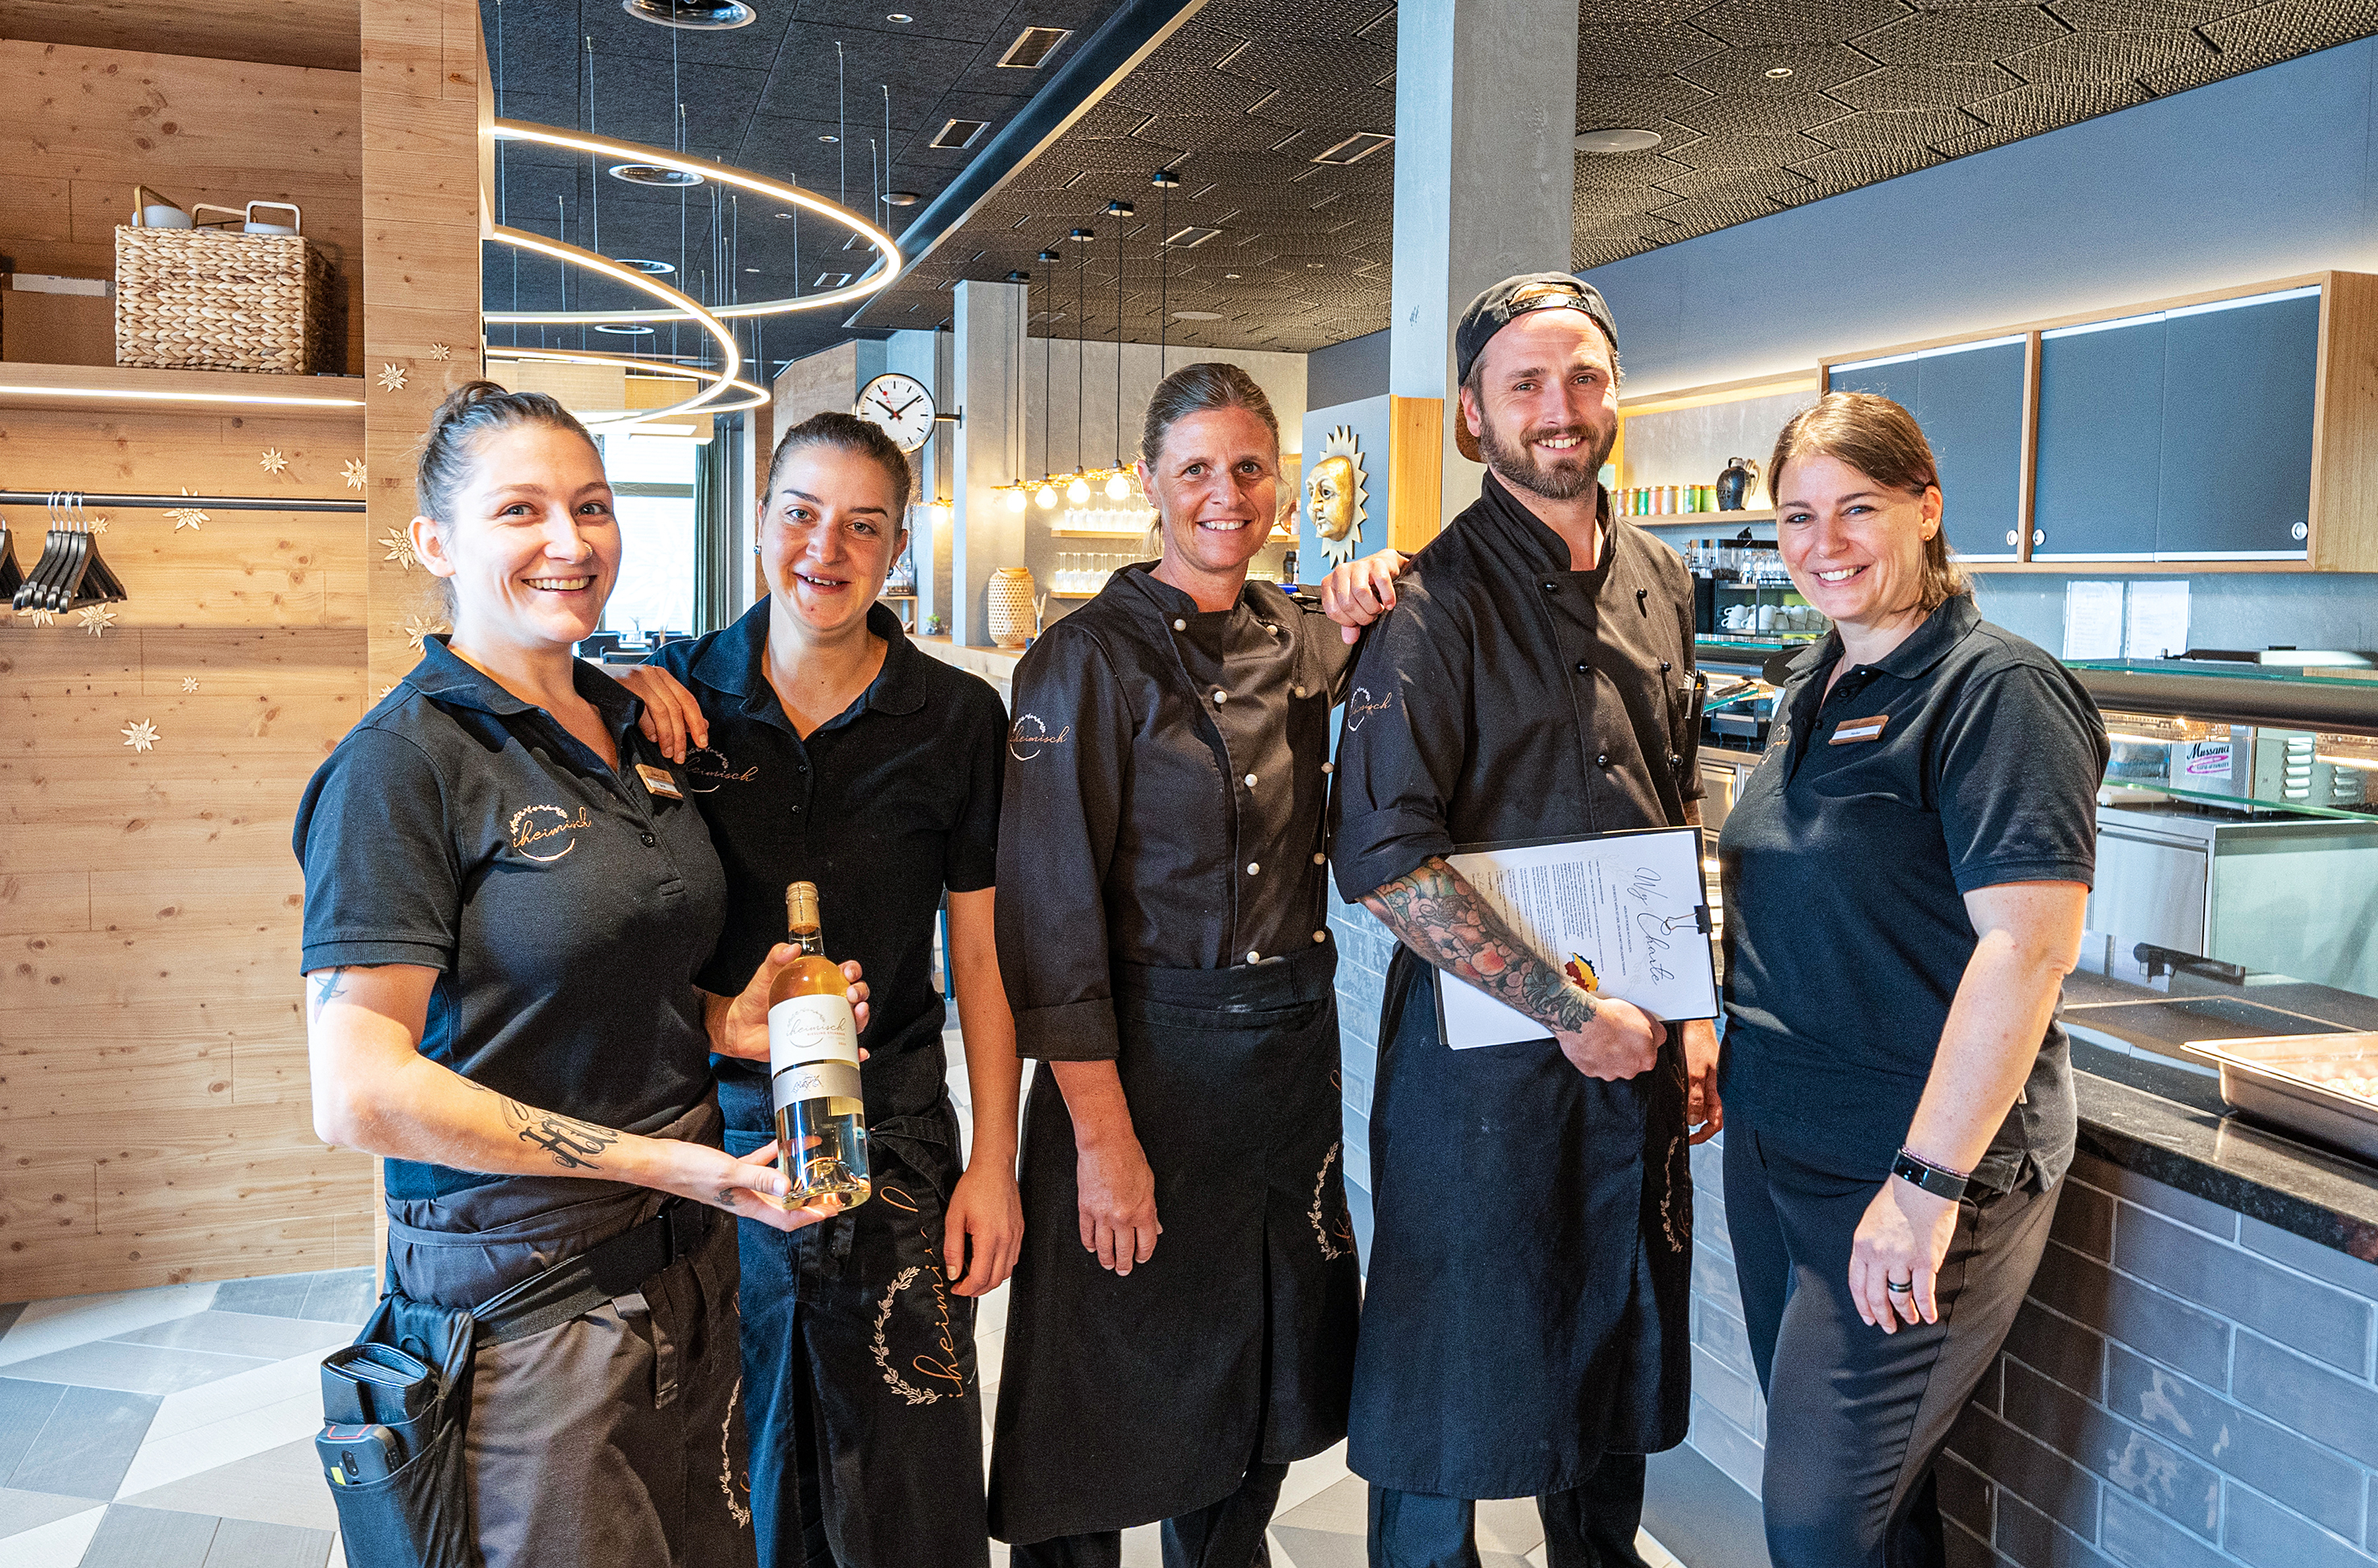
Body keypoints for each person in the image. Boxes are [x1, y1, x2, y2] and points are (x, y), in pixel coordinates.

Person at [294, 382, 869, 1567]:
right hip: (528, 1313)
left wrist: (730, 1020)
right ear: (436, 543)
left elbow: (602, 976)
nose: (569, 542)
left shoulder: (634, 725)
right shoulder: (401, 768)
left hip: (686, 1278)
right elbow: (360, 1090)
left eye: (591, 506)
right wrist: (673, 1164)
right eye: (520, 511)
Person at [1329, 273, 1718, 1568]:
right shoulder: (1421, 606)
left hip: (1638, 1053)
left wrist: (1690, 1004)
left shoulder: (1663, 577)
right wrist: (1567, 1010)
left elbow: (1679, 797)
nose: (1560, 409)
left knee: (1611, 1351)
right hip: (1478, 1067)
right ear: (1470, 420)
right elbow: (1384, 860)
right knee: (1450, 1376)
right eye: (1525, 386)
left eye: (1583, 379)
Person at [989, 361, 1402, 1568]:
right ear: (1147, 484)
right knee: (1102, 1398)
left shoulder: (1305, 637)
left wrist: (1379, 584)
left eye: (1248, 468)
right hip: (1139, 1069)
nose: (1225, 495)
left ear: (1278, 481)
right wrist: (1105, 1143)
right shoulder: (1082, 660)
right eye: (1195, 471)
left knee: (1260, 1385)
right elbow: (1050, 925)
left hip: (1282, 1069)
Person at [610, 411, 1022, 1568]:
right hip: (714, 1138)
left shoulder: (953, 718)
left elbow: (980, 959)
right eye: (799, 513)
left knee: (911, 1466)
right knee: (736, 1463)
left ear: (898, 549)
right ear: (758, 522)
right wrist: (613, 682)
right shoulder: (669, 705)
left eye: (861, 525)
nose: (823, 549)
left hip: (897, 1139)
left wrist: (994, 1162)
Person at [1716, 391, 2106, 1568]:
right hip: (1781, 1149)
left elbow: (2026, 947)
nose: (1821, 544)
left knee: (1815, 1526)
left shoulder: (1996, 693)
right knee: (1874, 1516)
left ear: (1925, 511)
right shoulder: (1814, 681)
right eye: (1795, 516)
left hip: (1917, 1170)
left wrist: (1924, 1184)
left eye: (1857, 509)